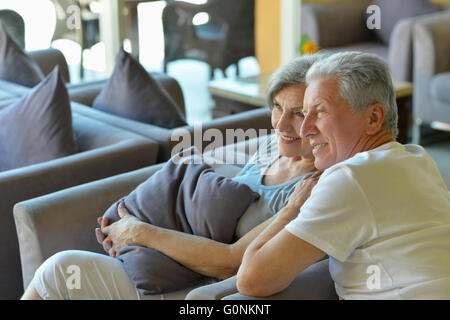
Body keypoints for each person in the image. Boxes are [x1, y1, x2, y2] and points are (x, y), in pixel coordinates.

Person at [21, 54, 325, 300]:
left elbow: (230, 262)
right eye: (276, 107)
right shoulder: (273, 147)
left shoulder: (308, 191)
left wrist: (138, 233)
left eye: (297, 113)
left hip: (195, 286)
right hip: (167, 261)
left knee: (59, 270)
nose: (281, 124)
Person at [236, 51, 450, 300]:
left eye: (320, 111)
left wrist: (293, 209)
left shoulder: (350, 178)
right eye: (305, 113)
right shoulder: (416, 158)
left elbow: (251, 280)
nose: (305, 130)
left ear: (373, 118)